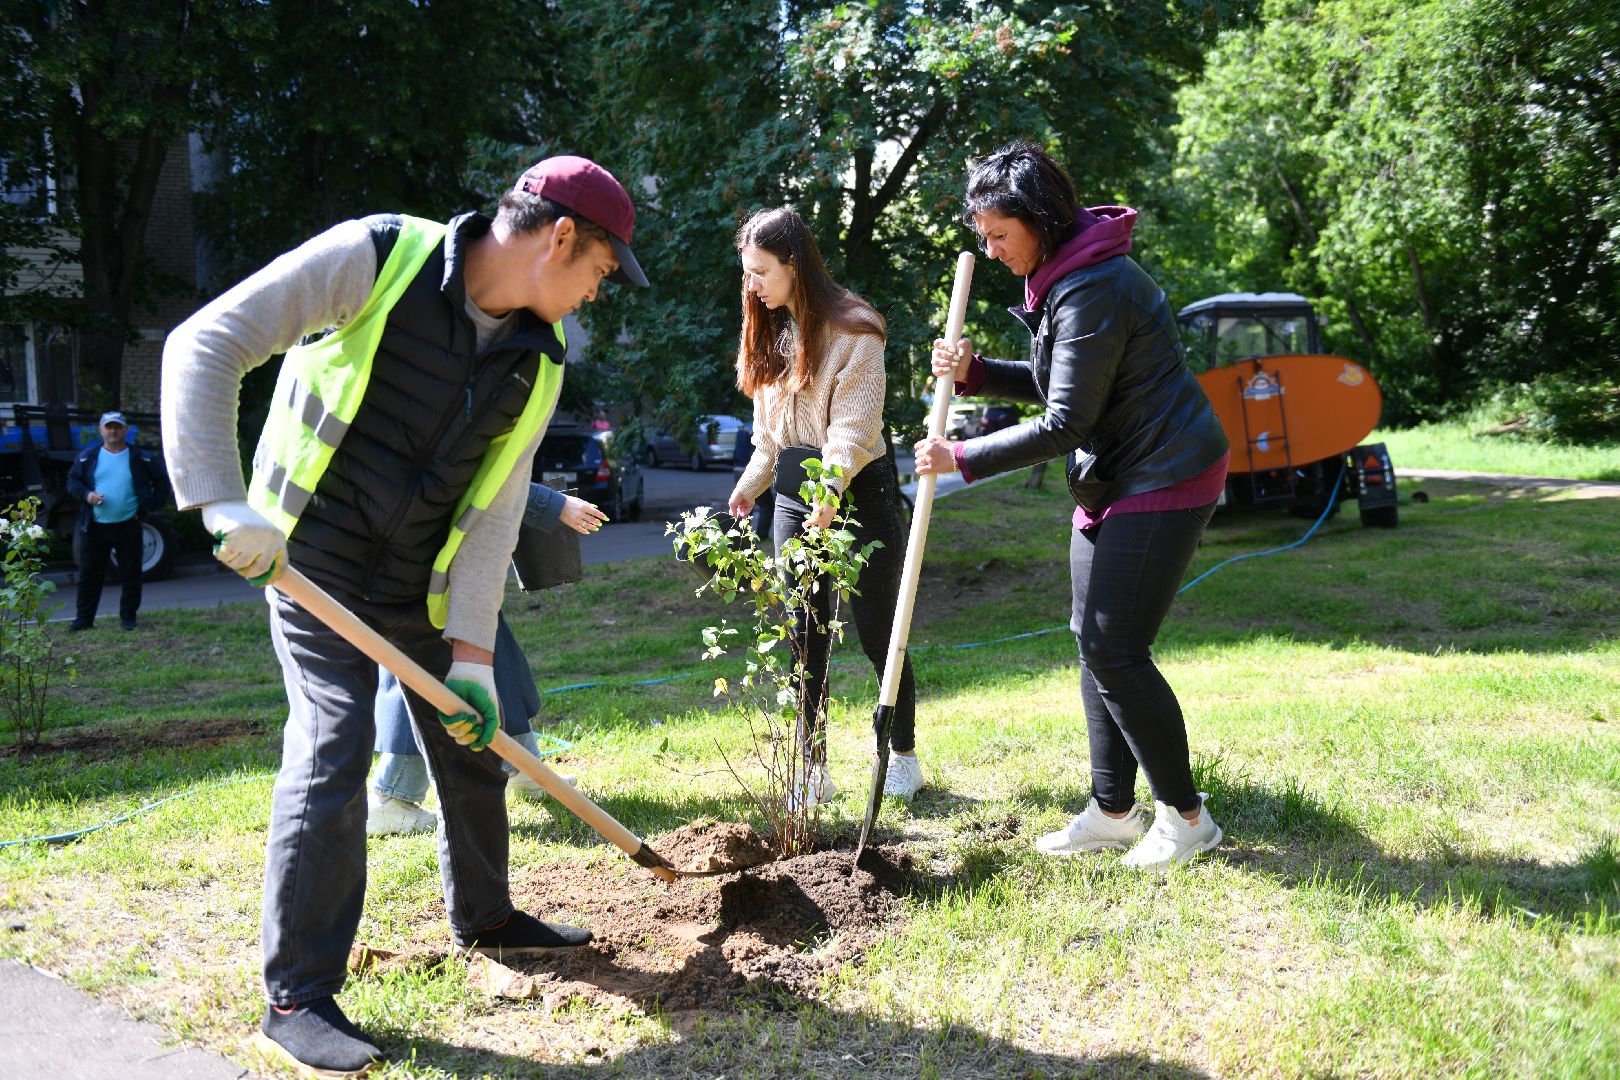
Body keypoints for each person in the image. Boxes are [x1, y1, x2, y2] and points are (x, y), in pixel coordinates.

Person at [161, 155, 646, 1077]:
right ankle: (297, 993)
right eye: (599, 272)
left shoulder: (536, 367)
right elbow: (205, 342)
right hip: (311, 562)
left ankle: (488, 916)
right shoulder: (377, 256)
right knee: (335, 745)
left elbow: (499, 514)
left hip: (416, 582)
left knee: (472, 736)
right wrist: (222, 501)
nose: (594, 293)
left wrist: (470, 651)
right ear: (559, 239)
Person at [914, 141, 1231, 872]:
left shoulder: (1094, 285)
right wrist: (978, 372)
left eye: (998, 235)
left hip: (1164, 471)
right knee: (1093, 640)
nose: (989, 251)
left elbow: (1067, 422)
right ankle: (1112, 811)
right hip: (1119, 473)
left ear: (1040, 219)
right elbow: (1065, 382)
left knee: (1115, 647)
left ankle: (1187, 818)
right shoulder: (1066, 275)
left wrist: (959, 459)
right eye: (982, 238)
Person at [726, 206, 923, 804]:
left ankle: (901, 753)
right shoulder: (771, 330)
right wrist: (749, 485)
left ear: (795, 266)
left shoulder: (856, 330)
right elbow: (771, 438)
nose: (751, 286)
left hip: (857, 491)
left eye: (761, 272)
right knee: (804, 633)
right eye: (746, 273)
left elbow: (853, 431)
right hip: (795, 496)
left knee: (877, 630)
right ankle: (812, 768)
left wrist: (830, 491)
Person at [368, 481, 604, 835]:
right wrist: (552, 504)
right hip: (420, 557)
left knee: (497, 653)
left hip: (433, 549)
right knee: (422, 670)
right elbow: (483, 471)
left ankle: (525, 768)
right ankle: (393, 795)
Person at [66, 411, 167, 632]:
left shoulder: (140, 457)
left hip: (128, 525)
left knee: (131, 575)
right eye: (109, 427)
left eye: (117, 427)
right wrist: (86, 495)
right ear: (101, 430)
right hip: (94, 526)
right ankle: (84, 619)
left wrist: (150, 506)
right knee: (89, 575)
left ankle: (128, 617)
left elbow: (161, 481)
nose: (113, 431)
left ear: (126, 430)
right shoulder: (88, 456)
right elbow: (73, 481)